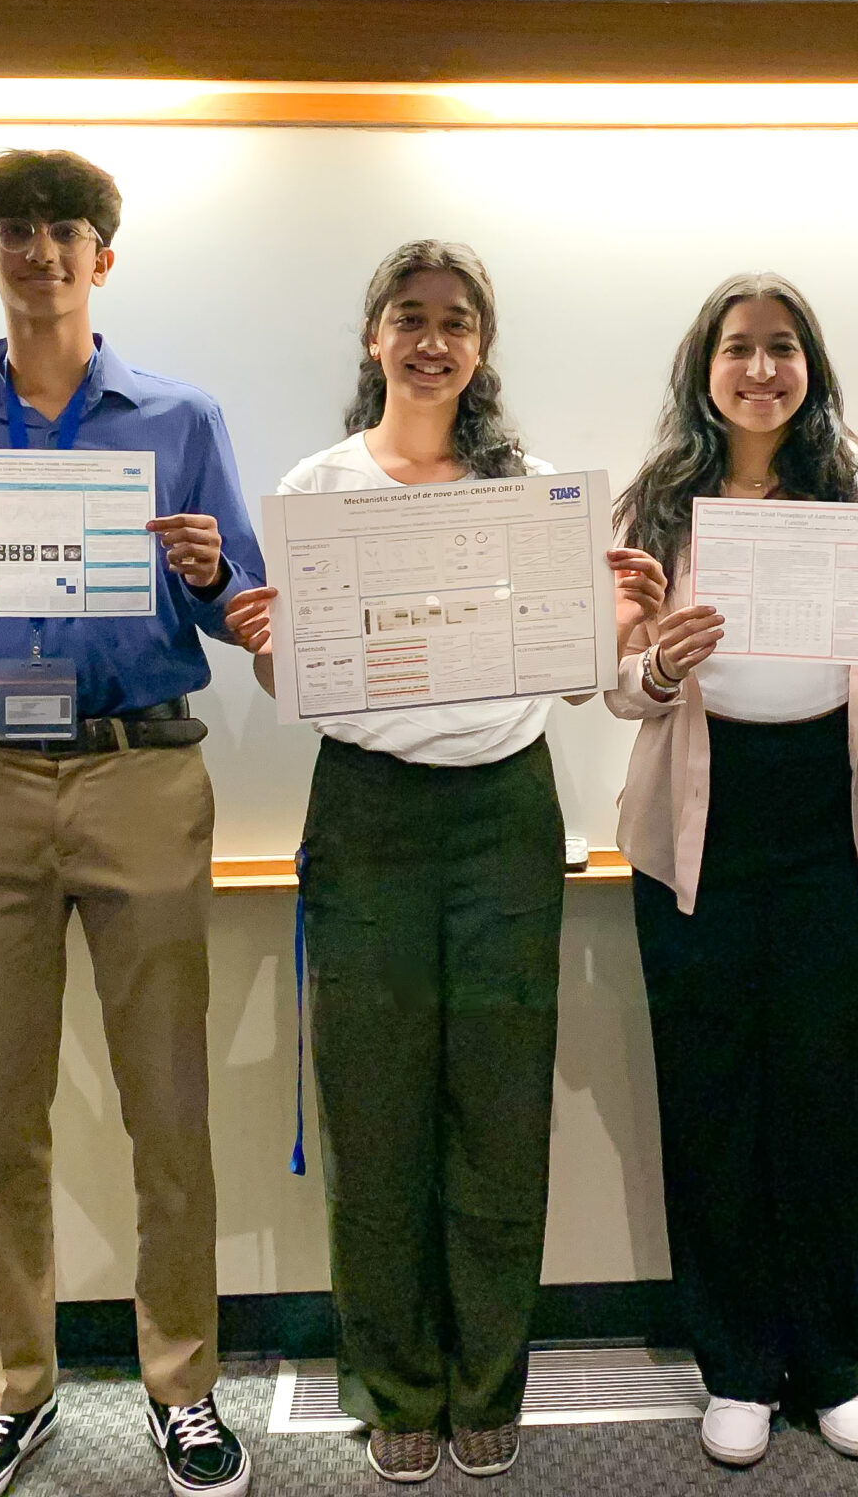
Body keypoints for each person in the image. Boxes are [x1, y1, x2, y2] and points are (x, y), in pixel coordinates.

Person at [0, 150, 262, 1497]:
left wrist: (211, 572)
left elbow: (237, 603)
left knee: (167, 1105)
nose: (40, 253)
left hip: (141, 771)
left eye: (64, 231)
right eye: (13, 233)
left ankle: (182, 1386)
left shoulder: (181, 415)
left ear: (105, 254)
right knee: (0, 1112)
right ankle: (14, 1387)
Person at [225, 241, 659, 1484]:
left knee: (500, 1109)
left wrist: (618, 616)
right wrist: (271, 645)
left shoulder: (525, 488)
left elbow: (576, 670)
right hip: (368, 812)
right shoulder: (318, 486)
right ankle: (398, 1385)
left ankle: (487, 1384)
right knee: (375, 1113)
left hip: (503, 814)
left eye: (454, 321)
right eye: (408, 319)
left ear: (480, 346)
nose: (431, 340)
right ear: (373, 338)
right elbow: (288, 680)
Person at [606, 273, 858, 1470]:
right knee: (710, 1105)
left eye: (782, 348)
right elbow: (615, 683)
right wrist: (656, 664)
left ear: (811, 365)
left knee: (819, 1104)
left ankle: (835, 1360)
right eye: (738, 349)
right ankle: (736, 1367)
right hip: (696, 834)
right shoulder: (658, 499)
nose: (761, 370)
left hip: (829, 834)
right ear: (706, 369)